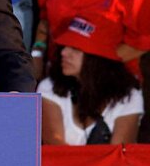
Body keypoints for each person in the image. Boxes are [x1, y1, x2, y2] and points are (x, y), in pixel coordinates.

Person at [39, 14, 143, 145]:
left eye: (75, 48)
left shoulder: (129, 95)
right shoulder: (49, 86)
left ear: (98, 57)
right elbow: (57, 150)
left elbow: (118, 157)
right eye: (64, 46)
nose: (64, 53)